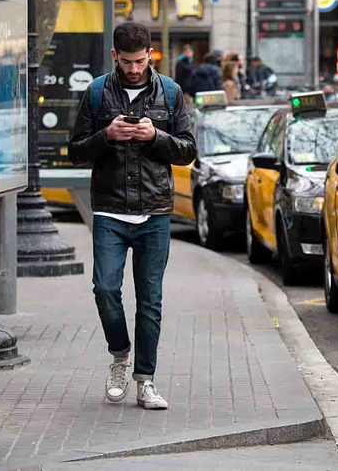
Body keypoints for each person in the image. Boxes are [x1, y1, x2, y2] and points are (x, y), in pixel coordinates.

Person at [67, 22, 197, 410]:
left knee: (150, 300)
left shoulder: (170, 92)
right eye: (127, 62)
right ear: (114, 57)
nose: (135, 69)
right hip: (109, 208)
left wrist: (154, 137)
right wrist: (106, 136)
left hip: (155, 210)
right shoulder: (95, 93)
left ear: (150, 55)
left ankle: (146, 381)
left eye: (141, 61)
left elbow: (188, 150)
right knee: (105, 289)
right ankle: (119, 355)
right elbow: (75, 151)